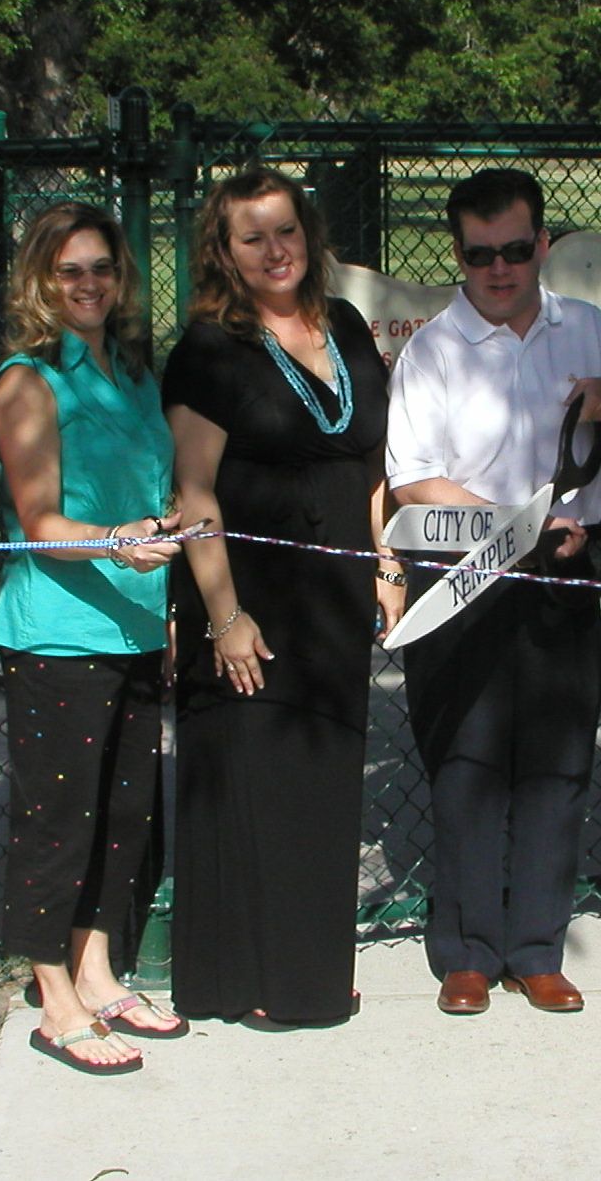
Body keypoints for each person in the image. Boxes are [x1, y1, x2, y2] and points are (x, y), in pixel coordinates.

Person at [162, 165, 403, 1026]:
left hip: (335, 594)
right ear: (223, 252)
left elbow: (368, 460)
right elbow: (194, 491)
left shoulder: (339, 324)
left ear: (310, 235)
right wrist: (224, 616)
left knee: (321, 783)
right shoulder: (208, 348)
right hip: (249, 603)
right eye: (251, 236)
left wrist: (384, 563)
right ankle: (252, 980)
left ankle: (308, 972)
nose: (275, 250)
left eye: (286, 230)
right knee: (256, 783)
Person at [384, 168, 601, 1016]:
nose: (500, 268)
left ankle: (538, 949)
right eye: (481, 254)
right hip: (462, 577)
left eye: (516, 250)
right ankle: (467, 951)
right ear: (457, 255)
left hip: (561, 574)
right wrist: (513, 523)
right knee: (466, 761)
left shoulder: (591, 331)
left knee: (557, 764)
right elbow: (414, 481)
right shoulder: (431, 350)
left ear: (543, 246)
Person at [0, 203, 185, 1075]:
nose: (90, 284)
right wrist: (114, 542)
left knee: (123, 816)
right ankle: (52, 994)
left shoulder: (136, 373)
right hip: (60, 635)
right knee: (58, 821)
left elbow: (154, 495)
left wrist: (166, 605)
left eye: (102, 267)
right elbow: (36, 520)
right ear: (39, 281)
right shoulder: (27, 380)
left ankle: (98, 970)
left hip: (137, 625)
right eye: (70, 271)